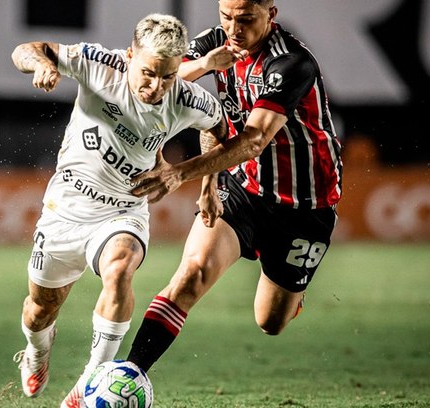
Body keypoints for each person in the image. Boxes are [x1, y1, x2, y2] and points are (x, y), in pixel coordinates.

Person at [9, 13, 225, 407]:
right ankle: (37, 350)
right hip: (67, 206)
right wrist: (41, 64)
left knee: (120, 267)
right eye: (148, 73)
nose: (156, 86)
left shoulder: (186, 98)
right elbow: (27, 49)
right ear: (129, 56)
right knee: (40, 309)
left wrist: (209, 184)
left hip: (123, 210)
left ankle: (91, 381)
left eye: (168, 77)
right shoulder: (98, 64)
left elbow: (218, 129)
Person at [124, 0, 343, 376]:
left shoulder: (292, 63)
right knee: (192, 274)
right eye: (226, 17)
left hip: (304, 204)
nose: (234, 28)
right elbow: (172, 81)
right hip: (243, 185)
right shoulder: (216, 43)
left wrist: (181, 173)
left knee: (270, 322)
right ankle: (127, 374)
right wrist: (210, 181)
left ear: (270, 15)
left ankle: (293, 297)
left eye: (245, 19)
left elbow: (253, 140)